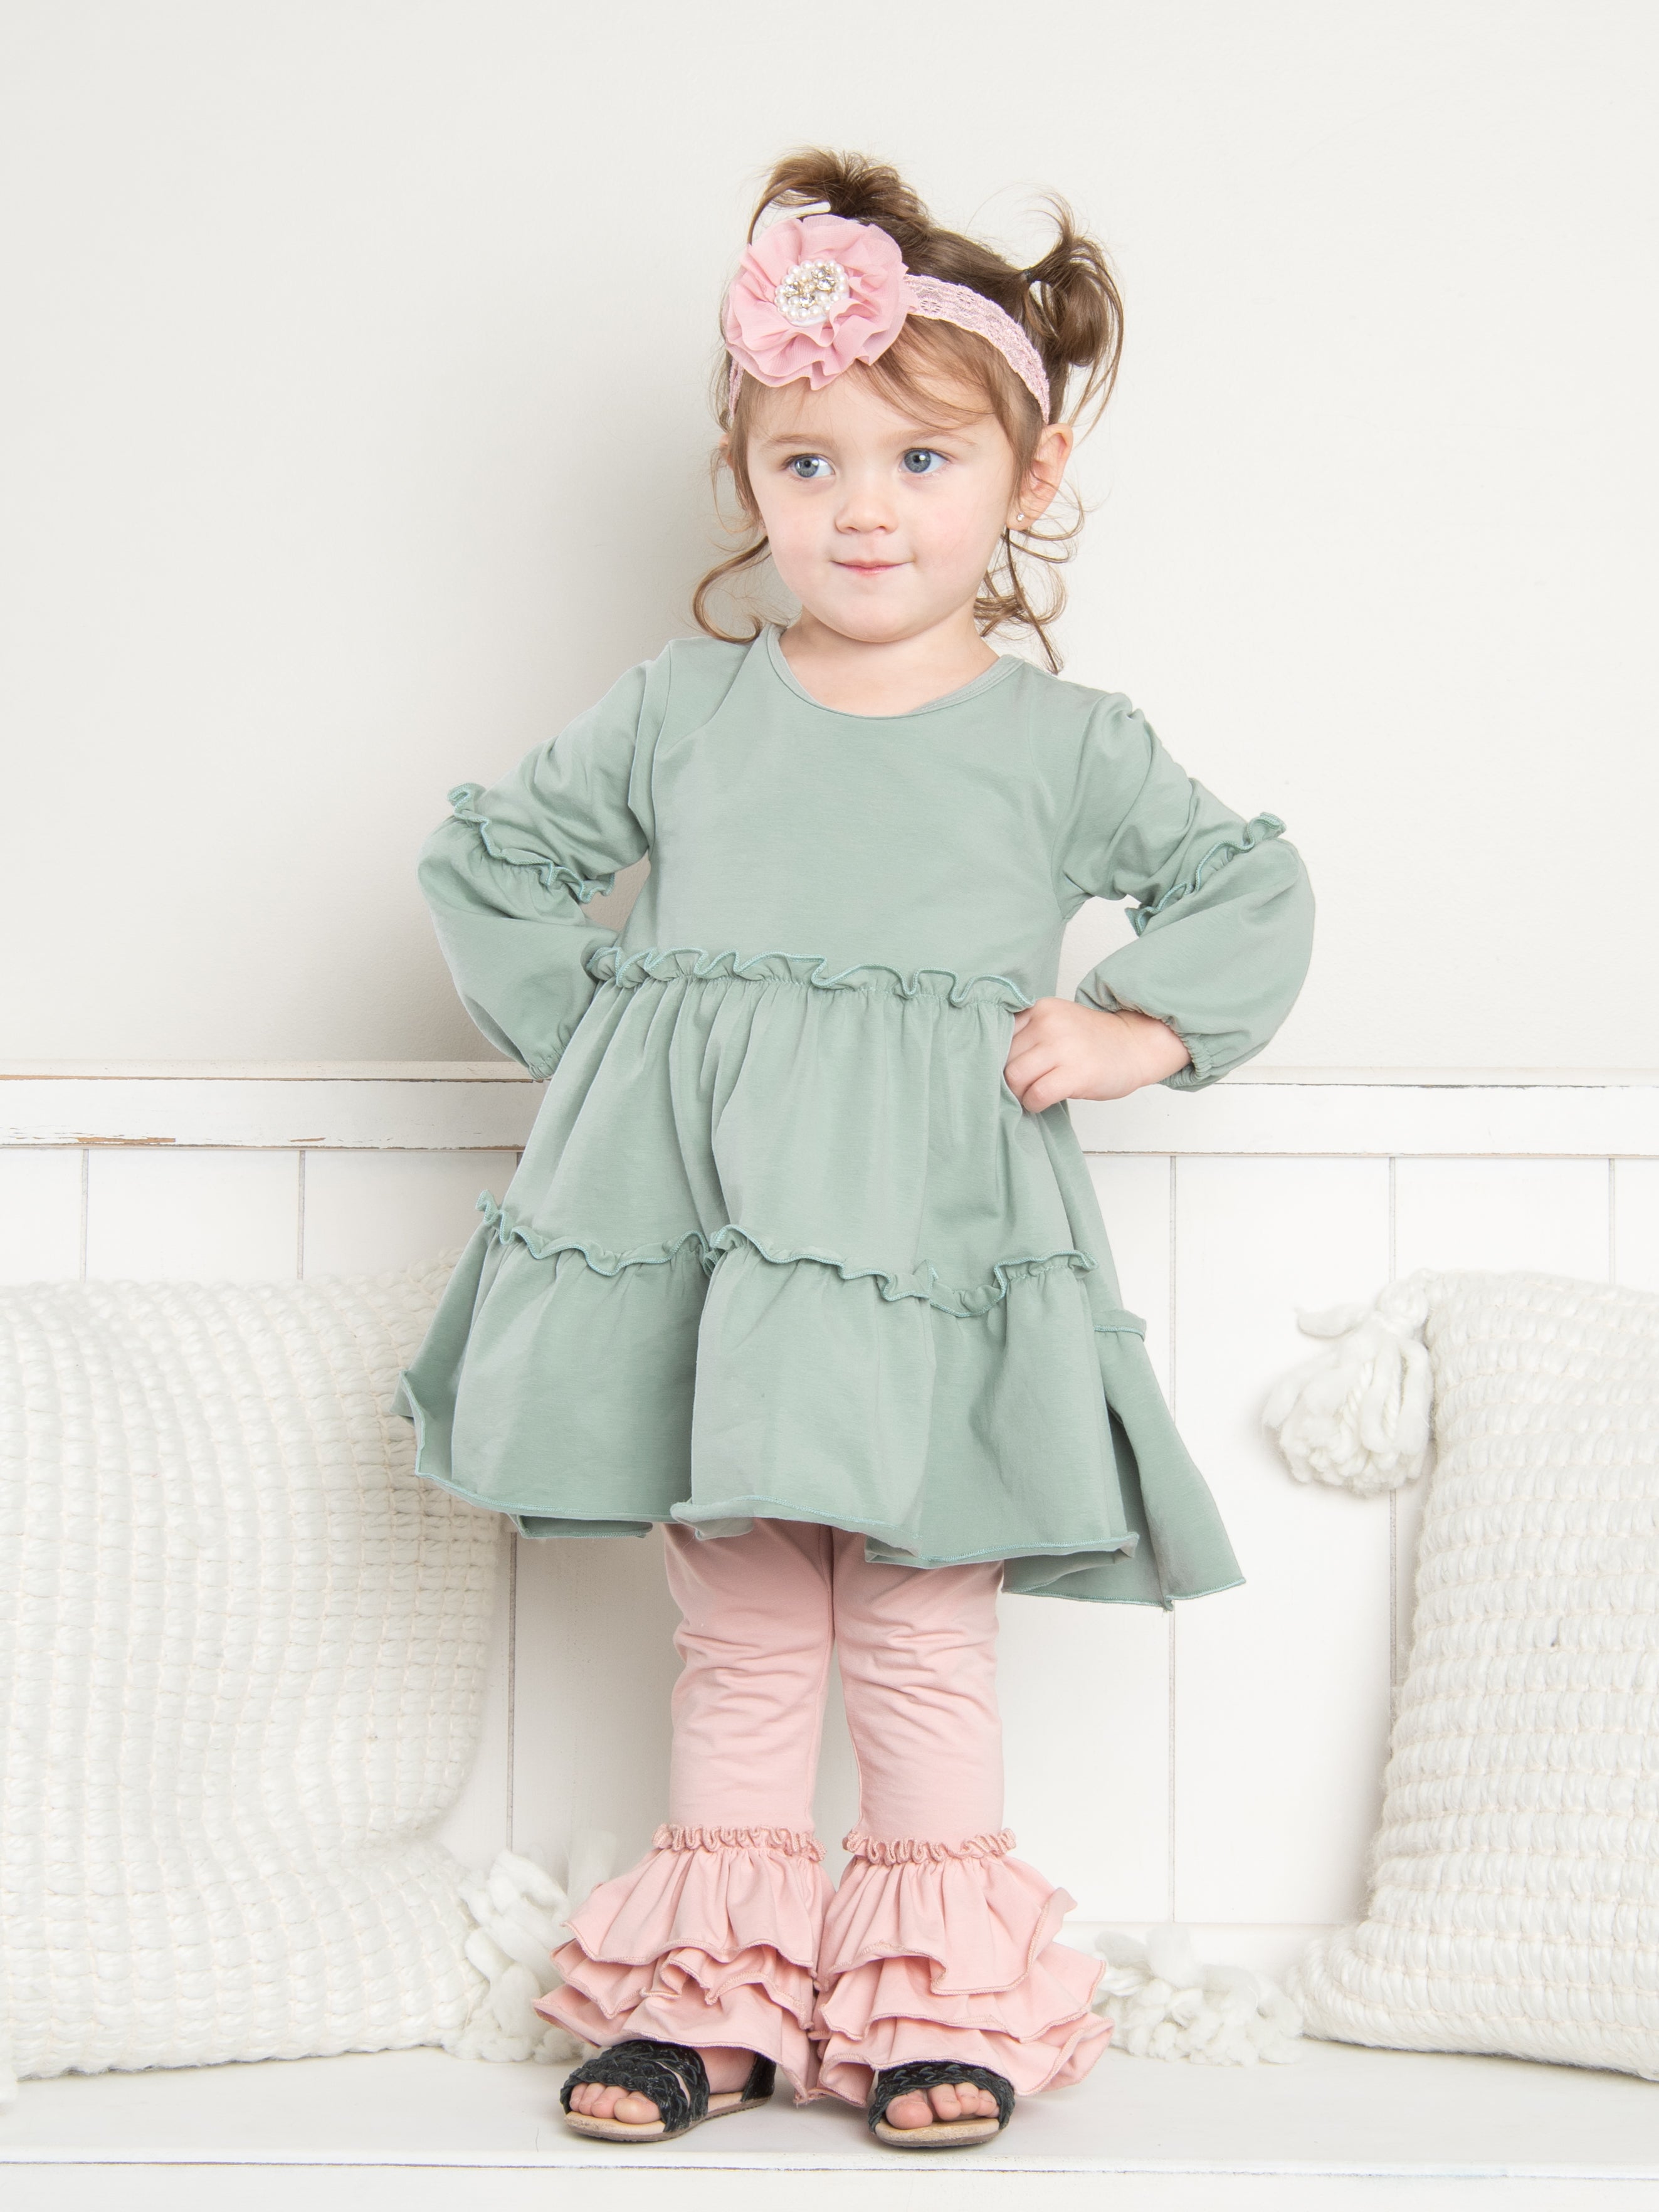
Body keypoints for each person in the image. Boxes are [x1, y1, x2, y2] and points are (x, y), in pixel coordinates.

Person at [391, 147, 1315, 2150]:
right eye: (807, 465)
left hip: (932, 1264)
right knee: (740, 1631)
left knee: (912, 1629)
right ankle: (709, 2005)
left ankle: (933, 2004)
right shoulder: (686, 712)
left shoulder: (1062, 746)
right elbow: (492, 863)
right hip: (720, 1264)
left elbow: (1249, 885)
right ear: (749, 481)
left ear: (1029, 478)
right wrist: (611, 1049)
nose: (863, 509)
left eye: (919, 461)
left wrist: (1134, 1025)